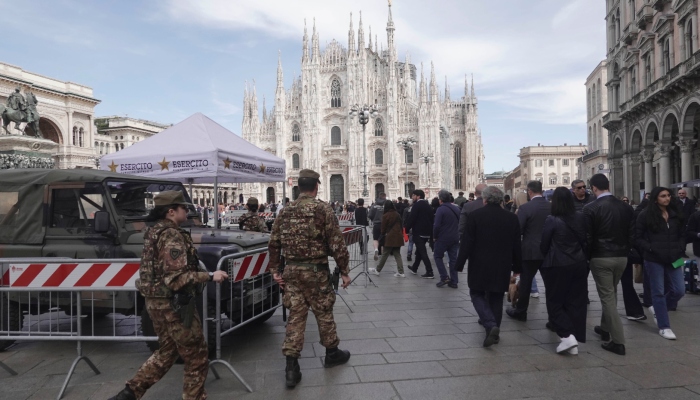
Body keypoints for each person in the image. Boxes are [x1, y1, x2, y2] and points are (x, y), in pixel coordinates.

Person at [109, 191, 229, 400]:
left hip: (155, 303)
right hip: (172, 305)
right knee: (197, 355)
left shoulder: (154, 232)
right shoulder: (171, 235)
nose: (186, 210)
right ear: (171, 212)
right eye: (183, 208)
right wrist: (210, 275)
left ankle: (129, 393)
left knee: (168, 351)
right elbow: (176, 278)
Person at [269, 169, 351, 388]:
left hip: (292, 272)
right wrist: (344, 271)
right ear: (316, 186)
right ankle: (332, 353)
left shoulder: (285, 211)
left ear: (298, 187)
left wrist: (275, 270)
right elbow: (336, 244)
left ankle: (291, 366)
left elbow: (274, 242)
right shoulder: (322, 209)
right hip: (316, 272)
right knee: (323, 311)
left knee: (296, 316)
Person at [455, 186, 521, 347]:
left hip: (479, 263)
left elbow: (467, 242)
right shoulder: (511, 218)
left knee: (477, 293)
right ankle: (493, 333)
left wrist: (459, 263)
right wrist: (518, 267)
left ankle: (490, 325)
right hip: (502, 264)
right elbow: (516, 245)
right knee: (496, 297)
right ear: (500, 200)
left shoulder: (476, 216)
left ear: (484, 199)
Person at [583, 174, 634, 356]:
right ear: (608, 185)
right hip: (621, 256)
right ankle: (605, 328)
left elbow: (587, 237)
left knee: (607, 297)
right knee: (611, 292)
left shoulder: (591, 208)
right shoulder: (625, 207)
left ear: (593, 188)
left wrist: (587, 258)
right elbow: (632, 233)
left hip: (601, 256)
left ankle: (618, 341)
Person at [539, 187, 588, 355]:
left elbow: (544, 244)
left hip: (558, 264)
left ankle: (567, 336)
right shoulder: (581, 217)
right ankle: (573, 336)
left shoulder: (552, 220)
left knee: (555, 301)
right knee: (575, 302)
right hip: (579, 263)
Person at [636, 187, 686, 340]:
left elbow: (682, 234)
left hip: (674, 257)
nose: (667, 198)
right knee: (657, 291)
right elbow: (637, 237)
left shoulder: (675, 215)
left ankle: (659, 309)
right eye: (663, 196)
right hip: (654, 258)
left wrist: (680, 247)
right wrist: (650, 248)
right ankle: (664, 326)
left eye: (668, 195)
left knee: (679, 290)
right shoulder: (646, 215)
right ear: (656, 198)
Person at [506, 180, 551, 322]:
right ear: (541, 191)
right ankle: (553, 317)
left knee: (525, 283)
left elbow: (517, 230)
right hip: (549, 251)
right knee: (550, 285)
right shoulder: (551, 207)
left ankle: (521, 311)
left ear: (530, 192)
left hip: (530, 251)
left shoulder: (526, 208)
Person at [369, 201, 405, 277]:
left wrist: (382, 234)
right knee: (397, 254)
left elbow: (383, 228)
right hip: (398, 236)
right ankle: (401, 272)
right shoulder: (397, 214)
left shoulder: (385, 215)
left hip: (390, 237)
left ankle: (378, 270)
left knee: (385, 254)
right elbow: (401, 224)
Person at [433, 189, 461, 288]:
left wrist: (435, 236)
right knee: (453, 259)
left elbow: (436, 225)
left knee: (437, 256)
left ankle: (444, 277)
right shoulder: (456, 209)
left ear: (441, 200)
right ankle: (454, 281)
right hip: (455, 237)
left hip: (443, 238)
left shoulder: (440, 209)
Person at [405, 189, 435, 278]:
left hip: (419, 232)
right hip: (427, 232)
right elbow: (432, 219)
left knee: (422, 252)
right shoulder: (427, 205)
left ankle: (430, 271)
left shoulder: (417, 205)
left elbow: (412, 218)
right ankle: (414, 268)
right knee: (419, 251)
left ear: (418, 196)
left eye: (413, 195)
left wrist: (406, 229)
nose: (412, 197)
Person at [369, 192, 387, 261]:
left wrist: (374, 219)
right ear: (384, 197)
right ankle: (385, 253)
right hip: (384, 224)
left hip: (376, 224)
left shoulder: (374, 205)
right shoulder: (386, 205)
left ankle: (377, 250)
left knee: (376, 239)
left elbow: (370, 215)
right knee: (384, 238)